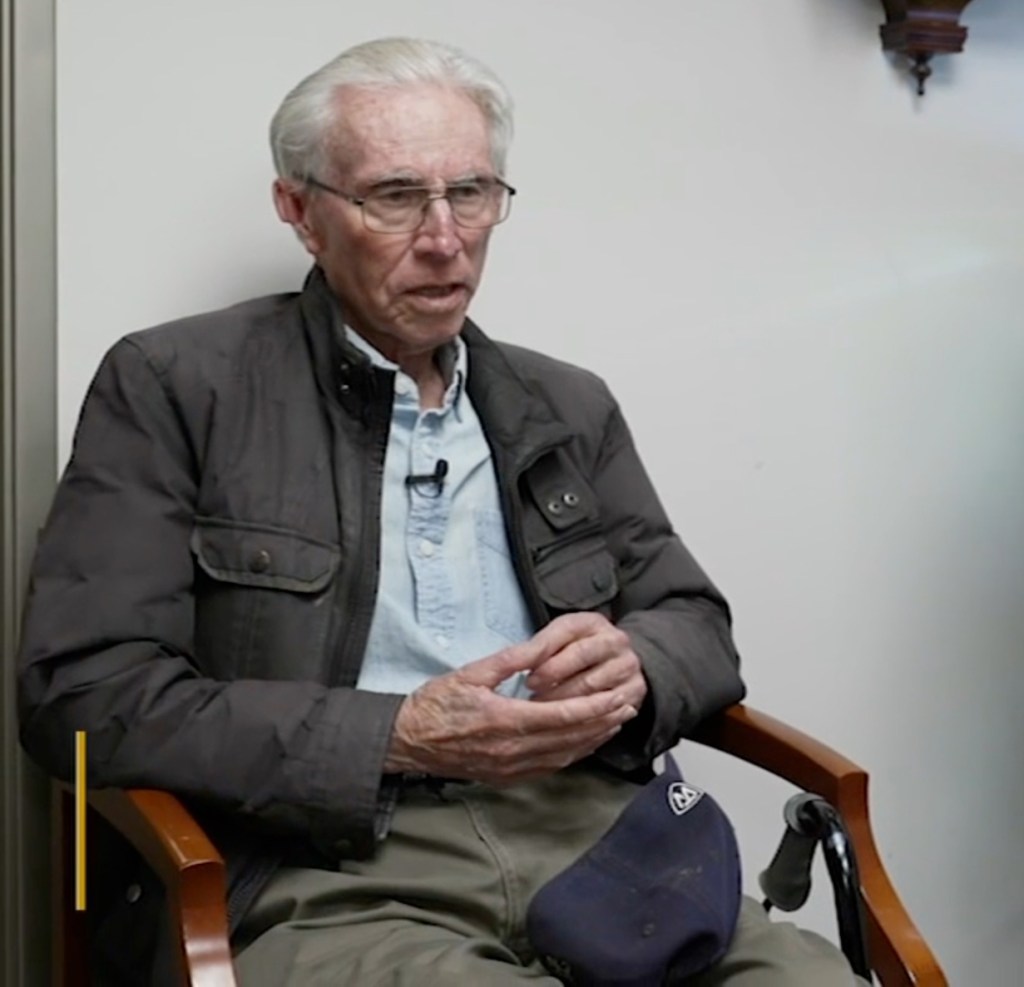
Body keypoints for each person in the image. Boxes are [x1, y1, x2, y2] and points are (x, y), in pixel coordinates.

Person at [18, 37, 864, 986]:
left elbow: (699, 628)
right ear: (299, 211)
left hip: (602, 849)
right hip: (330, 865)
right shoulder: (177, 385)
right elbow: (81, 701)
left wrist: (635, 666)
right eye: (394, 195)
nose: (444, 236)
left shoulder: (565, 404)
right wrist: (397, 734)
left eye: (471, 192)